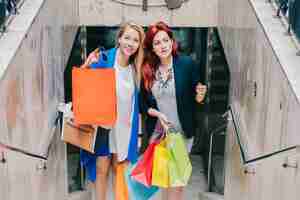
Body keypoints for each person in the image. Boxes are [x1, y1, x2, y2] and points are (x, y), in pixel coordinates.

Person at [140, 21, 207, 200]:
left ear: (172, 41)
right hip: (160, 133)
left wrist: (200, 96)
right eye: (157, 42)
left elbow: (198, 96)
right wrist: (158, 114)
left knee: (177, 183)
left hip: (183, 133)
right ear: (152, 48)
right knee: (165, 180)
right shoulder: (148, 70)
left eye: (165, 40)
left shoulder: (187, 64)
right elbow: (144, 105)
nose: (162, 45)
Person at [80, 22, 145, 200]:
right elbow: (84, 84)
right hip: (103, 126)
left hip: (124, 128)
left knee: (119, 170)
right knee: (101, 169)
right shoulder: (104, 58)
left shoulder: (136, 68)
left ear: (139, 45)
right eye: (127, 38)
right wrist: (87, 65)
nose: (130, 43)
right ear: (119, 39)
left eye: (135, 40)